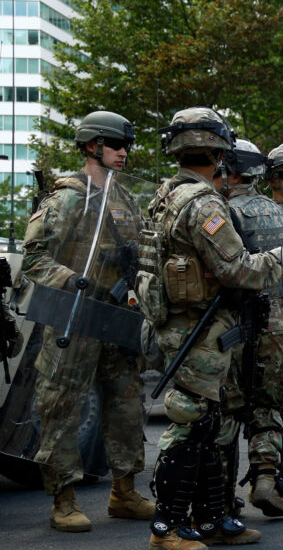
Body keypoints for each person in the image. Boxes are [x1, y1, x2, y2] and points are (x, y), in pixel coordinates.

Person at [146, 107, 283, 549]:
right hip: (199, 328)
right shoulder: (203, 202)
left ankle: (214, 518)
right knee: (191, 424)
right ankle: (169, 527)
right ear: (219, 153)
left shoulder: (166, 194)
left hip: (187, 323)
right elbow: (238, 270)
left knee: (211, 421)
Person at [22, 110, 154, 532]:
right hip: (74, 318)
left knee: (126, 403)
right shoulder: (67, 197)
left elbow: (142, 247)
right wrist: (74, 280)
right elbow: (34, 259)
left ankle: (124, 491)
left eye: (126, 147)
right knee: (61, 406)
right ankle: (63, 498)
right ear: (92, 146)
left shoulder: (125, 198)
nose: (123, 153)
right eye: (115, 145)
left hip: (116, 317)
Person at [218, 139, 283, 518]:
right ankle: (266, 478)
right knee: (268, 402)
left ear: (231, 171)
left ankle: (220, 494)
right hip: (278, 321)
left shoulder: (222, 210)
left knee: (229, 407)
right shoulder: (280, 213)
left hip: (234, 321)